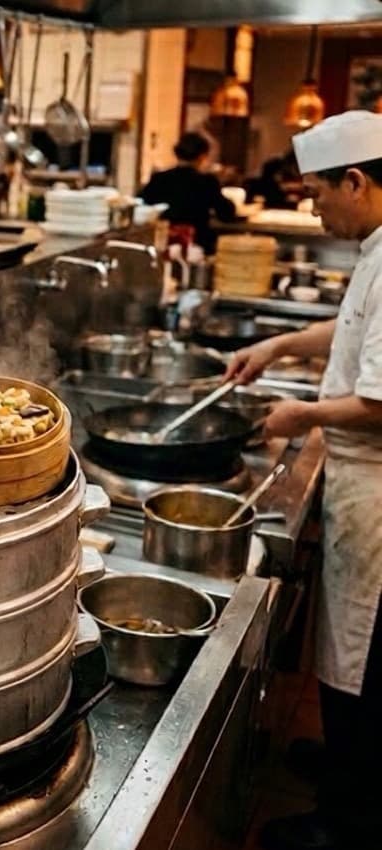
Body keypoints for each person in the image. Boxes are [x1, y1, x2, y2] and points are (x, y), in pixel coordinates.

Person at [223, 110, 382, 850]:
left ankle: (348, 819)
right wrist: (282, 342)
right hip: (357, 481)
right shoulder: (376, 247)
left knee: (363, 643)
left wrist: (299, 415)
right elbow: (350, 329)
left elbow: (379, 403)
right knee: (346, 643)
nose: (314, 206)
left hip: (376, 491)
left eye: (319, 192)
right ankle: (343, 767)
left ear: (358, 181)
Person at [140, 131, 237, 254]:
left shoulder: (159, 179)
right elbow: (226, 214)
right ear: (202, 156)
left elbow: (142, 204)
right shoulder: (207, 181)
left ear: (176, 153)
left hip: (164, 244)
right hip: (196, 246)